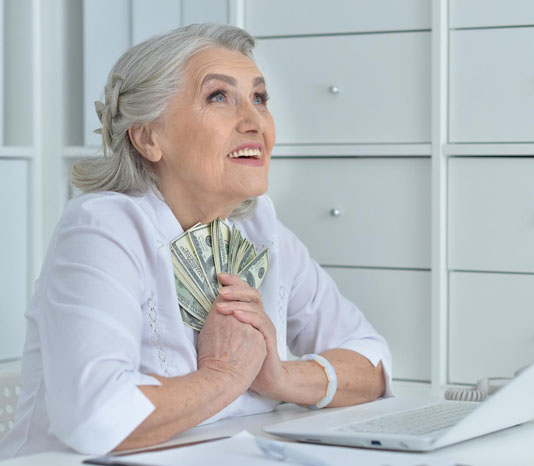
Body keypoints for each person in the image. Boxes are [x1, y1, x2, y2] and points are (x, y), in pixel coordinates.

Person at [0, 23, 391, 458]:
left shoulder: (260, 228)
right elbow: (96, 418)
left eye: (259, 99)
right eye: (218, 97)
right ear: (148, 136)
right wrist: (224, 374)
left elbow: (373, 362)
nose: (254, 121)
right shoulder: (102, 227)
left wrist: (280, 378)